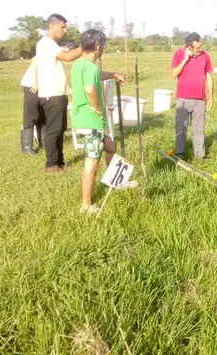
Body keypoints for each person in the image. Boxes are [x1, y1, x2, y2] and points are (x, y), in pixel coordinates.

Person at [70, 29, 126, 214]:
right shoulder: (90, 67)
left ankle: (117, 182)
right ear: (97, 46)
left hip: (83, 120)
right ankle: (86, 205)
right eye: (102, 46)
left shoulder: (80, 65)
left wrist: (113, 74)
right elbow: (89, 88)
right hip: (91, 122)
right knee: (91, 164)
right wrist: (97, 107)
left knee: (110, 147)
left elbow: (96, 76)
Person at [36, 13, 83, 172]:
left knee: (60, 129)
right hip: (52, 94)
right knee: (54, 130)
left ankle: (59, 162)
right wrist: (86, 46)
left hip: (59, 93)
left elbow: (65, 52)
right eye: (62, 26)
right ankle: (51, 165)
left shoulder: (51, 44)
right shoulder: (46, 43)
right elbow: (68, 57)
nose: (65, 30)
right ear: (51, 26)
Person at [170, 32, 214, 160]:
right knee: (181, 127)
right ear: (189, 47)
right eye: (198, 48)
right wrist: (185, 59)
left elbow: (209, 77)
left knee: (199, 129)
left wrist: (211, 96)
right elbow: (173, 74)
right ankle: (179, 155)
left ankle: (200, 156)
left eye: (201, 46)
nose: (201, 49)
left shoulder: (205, 56)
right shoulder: (179, 54)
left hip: (200, 99)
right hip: (183, 98)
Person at [19, 45, 45, 155]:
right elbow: (34, 61)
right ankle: (27, 148)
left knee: (43, 114)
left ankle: (44, 144)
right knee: (31, 115)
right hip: (31, 85)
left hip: (41, 85)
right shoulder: (43, 49)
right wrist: (36, 81)